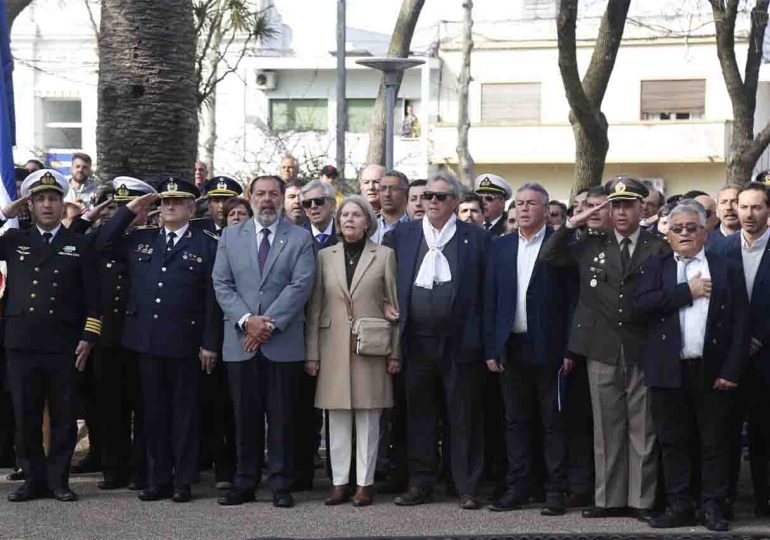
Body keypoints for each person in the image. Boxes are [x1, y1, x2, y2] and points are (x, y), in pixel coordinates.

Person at [539, 176, 669, 521]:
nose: (622, 211)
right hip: (602, 346)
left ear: (643, 208)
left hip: (641, 345)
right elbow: (548, 256)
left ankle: (641, 500)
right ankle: (609, 498)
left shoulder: (658, 245)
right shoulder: (591, 244)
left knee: (642, 428)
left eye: (629, 205)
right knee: (607, 427)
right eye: (616, 205)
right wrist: (571, 223)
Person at [95, 177, 221, 503]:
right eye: (164, 202)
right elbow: (103, 243)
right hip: (146, 341)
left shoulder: (206, 243)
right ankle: (159, 478)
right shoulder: (142, 238)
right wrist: (129, 210)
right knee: (153, 414)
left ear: (192, 208)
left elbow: (213, 299)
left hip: (185, 342)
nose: (169, 206)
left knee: (184, 415)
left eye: (177, 202)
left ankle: (183, 481)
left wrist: (209, 342)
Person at [635, 199, 748, 531]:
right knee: (673, 442)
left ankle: (713, 506)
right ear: (667, 233)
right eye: (677, 228)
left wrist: (731, 370)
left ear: (705, 230)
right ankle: (680, 504)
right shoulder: (655, 267)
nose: (684, 233)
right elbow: (640, 308)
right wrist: (688, 291)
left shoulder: (725, 266)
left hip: (711, 370)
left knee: (714, 442)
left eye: (692, 227)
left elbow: (742, 323)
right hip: (668, 370)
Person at [386, 173, 489, 510]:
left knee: (464, 417)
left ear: (455, 202)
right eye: (428, 195)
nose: (432, 201)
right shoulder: (402, 235)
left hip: (460, 342)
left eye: (441, 197)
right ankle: (420, 483)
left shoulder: (475, 238)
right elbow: (382, 279)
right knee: (420, 416)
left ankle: (466, 486)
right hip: (416, 340)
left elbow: (488, 292)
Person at [212, 175, 316, 508]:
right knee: (245, 418)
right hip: (241, 342)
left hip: (282, 343)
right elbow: (222, 284)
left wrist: (267, 325)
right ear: (250, 197)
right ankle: (244, 482)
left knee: (283, 418)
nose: (267, 200)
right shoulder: (229, 236)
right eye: (260, 194)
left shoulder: (300, 238)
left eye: (273, 194)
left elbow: (301, 286)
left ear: (283, 197)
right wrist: (247, 321)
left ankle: (281, 483)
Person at [0, 169, 102, 502]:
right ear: (29, 205)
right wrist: (4, 213)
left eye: (53, 199)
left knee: (63, 416)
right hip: (22, 343)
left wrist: (89, 336)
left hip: (64, 345)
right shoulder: (15, 240)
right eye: (40, 199)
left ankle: (59, 480)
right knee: (25, 415)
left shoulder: (79, 243)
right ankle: (32, 480)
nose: (47, 205)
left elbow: (94, 298)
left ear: (63, 205)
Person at [306, 195, 401, 507]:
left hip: (370, 346)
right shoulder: (324, 256)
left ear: (367, 222)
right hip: (332, 345)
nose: (349, 219)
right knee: (337, 418)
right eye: (344, 214)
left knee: (369, 417)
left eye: (356, 215)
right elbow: (316, 305)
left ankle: (364, 483)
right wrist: (312, 353)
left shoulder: (385, 255)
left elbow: (394, 306)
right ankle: (339, 483)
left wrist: (395, 352)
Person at [484, 183, 571, 516]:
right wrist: (492, 348)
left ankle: (554, 490)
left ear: (546, 210)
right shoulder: (501, 247)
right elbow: (491, 300)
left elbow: (570, 301)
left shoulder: (558, 245)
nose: (523, 209)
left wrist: (569, 349)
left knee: (552, 421)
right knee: (515, 421)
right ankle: (518, 486)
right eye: (518, 204)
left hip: (548, 346)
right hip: (512, 346)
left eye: (530, 204)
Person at [69, 177, 156, 491]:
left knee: (144, 406)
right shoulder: (102, 237)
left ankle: (141, 469)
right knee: (110, 406)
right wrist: (87, 217)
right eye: (120, 206)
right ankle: (113, 468)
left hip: (141, 334)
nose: (124, 212)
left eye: (131, 205)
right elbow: (69, 241)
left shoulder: (153, 237)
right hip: (108, 336)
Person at [716, 182, 770, 517]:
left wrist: (759, 338)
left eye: (756, 207)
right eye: (743, 207)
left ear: (768, 210)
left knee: (764, 432)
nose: (748, 214)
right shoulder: (719, 249)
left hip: (766, 357)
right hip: (728, 359)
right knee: (725, 432)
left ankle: (764, 497)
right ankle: (725, 499)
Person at [295, 179, 337, 490]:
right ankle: (304, 469)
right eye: (306, 204)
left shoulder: (350, 232)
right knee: (303, 407)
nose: (312, 208)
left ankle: (341, 474)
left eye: (318, 203)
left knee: (339, 407)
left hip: (339, 332)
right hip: (302, 333)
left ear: (331, 204)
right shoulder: (293, 237)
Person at [372, 170, 409, 244]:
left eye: (394, 189)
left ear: (406, 194)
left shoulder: (417, 228)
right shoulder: (369, 228)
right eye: (383, 189)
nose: (387, 194)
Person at [301, 179, 337, 251]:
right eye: (307, 203)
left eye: (319, 201)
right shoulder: (299, 238)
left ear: (332, 204)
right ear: (305, 210)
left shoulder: (344, 233)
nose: (313, 206)